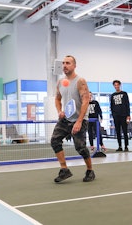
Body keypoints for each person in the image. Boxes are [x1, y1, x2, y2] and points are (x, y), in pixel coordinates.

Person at [51, 55, 95, 183]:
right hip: (66, 119)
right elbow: (57, 99)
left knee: (80, 147)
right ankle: (64, 170)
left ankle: (90, 170)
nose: (65, 65)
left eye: (68, 63)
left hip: (79, 119)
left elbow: (86, 100)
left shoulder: (80, 81)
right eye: (63, 63)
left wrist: (80, 121)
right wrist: (60, 111)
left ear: (74, 66)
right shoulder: (60, 82)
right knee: (55, 141)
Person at [110, 80, 131, 152]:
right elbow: (111, 106)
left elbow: (127, 104)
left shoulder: (124, 94)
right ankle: (119, 146)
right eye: (115, 85)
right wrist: (113, 115)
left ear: (120, 85)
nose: (116, 86)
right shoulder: (112, 95)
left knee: (125, 131)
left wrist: (128, 115)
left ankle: (126, 146)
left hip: (124, 115)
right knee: (118, 132)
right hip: (116, 116)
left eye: (117, 85)